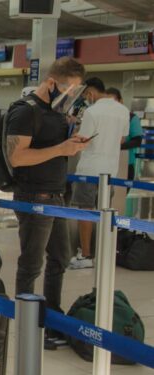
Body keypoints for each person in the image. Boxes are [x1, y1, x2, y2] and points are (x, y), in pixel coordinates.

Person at [4, 57, 89, 348]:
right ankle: (27, 324)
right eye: (68, 91)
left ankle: (52, 317)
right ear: (51, 83)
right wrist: (60, 148)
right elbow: (17, 157)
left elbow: (53, 150)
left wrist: (71, 144)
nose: (71, 98)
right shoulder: (25, 112)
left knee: (60, 258)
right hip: (34, 196)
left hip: (56, 195)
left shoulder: (56, 113)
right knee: (31, 263)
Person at [68, 78, 129, 270]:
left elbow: (83, 140)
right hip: (110, 170)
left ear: (90, 93)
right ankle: (104, 252)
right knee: (104, 212)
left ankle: (85, 255)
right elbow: (120, 139)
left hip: (90, 169)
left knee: (85, 211)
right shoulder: (123, 110)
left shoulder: (92, 111)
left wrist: (73, 130)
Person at [107, 87, 143, 182]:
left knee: (121, 193)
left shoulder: (131, 118)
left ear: (121, 101)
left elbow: (137, 141)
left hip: (125, 163)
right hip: (106, 162)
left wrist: (117, 146)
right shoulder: (105, 118)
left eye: (113, 101)